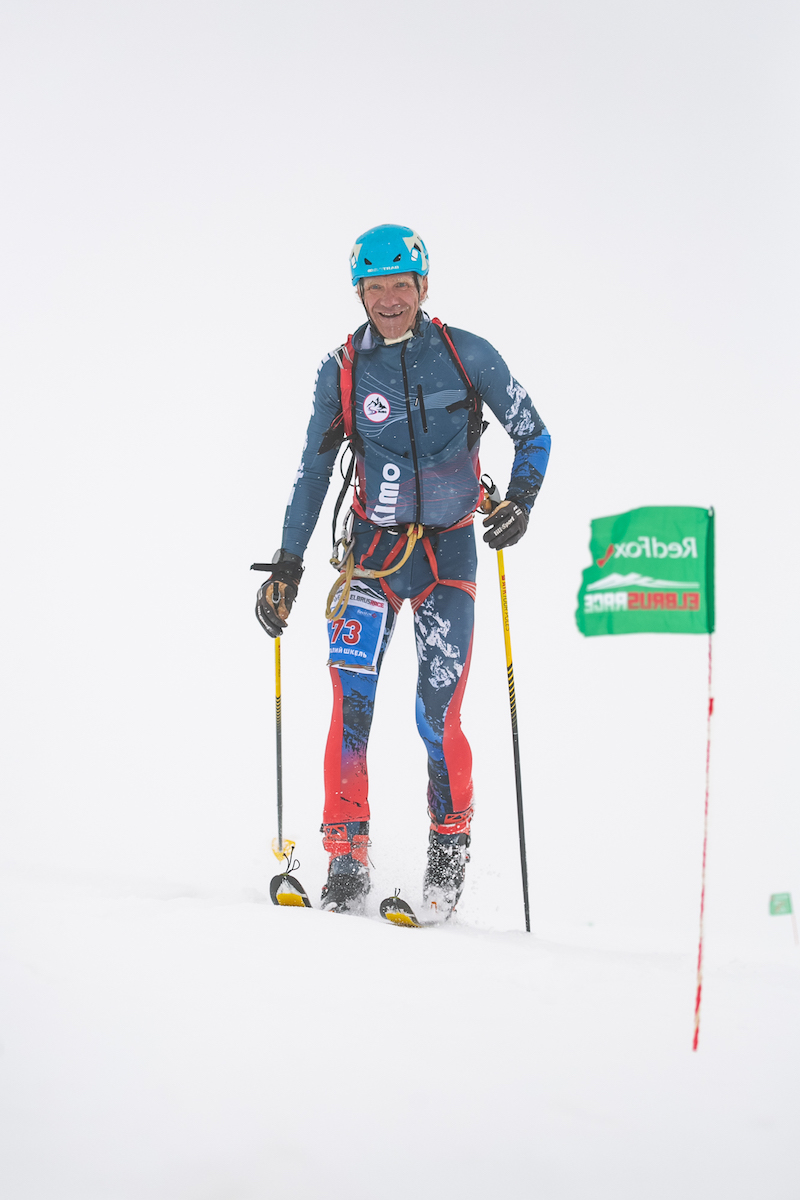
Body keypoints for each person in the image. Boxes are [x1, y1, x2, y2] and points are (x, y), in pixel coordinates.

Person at [255, 224, 550, 917]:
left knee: (436, 715)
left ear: (423, 286)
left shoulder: (467, 354)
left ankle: (448, 851)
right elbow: (313, 471)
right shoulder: (342, 370)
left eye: (401, 286)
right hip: (371, 557)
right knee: (351, 706)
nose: (389, 299)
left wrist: (521, 501)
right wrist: (289, 566)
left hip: (449, 556)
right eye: (376, 287)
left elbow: (533, 433)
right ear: (359, 292)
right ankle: (346, 861)